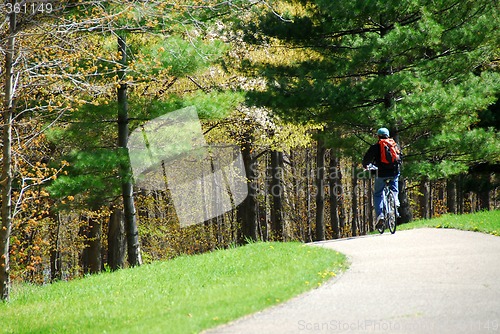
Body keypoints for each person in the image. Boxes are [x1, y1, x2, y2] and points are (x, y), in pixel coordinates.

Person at [362, 127, 401, 227]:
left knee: (378, 194)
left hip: (381, 174)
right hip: (394, 172)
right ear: (388, 135)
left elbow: (366, 159)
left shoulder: (375, 147)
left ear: (378, 136)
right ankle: (395, 200)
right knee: (394, 186)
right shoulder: (394, 144)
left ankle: (380, 216)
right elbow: (400, 157)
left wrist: (366, 166)